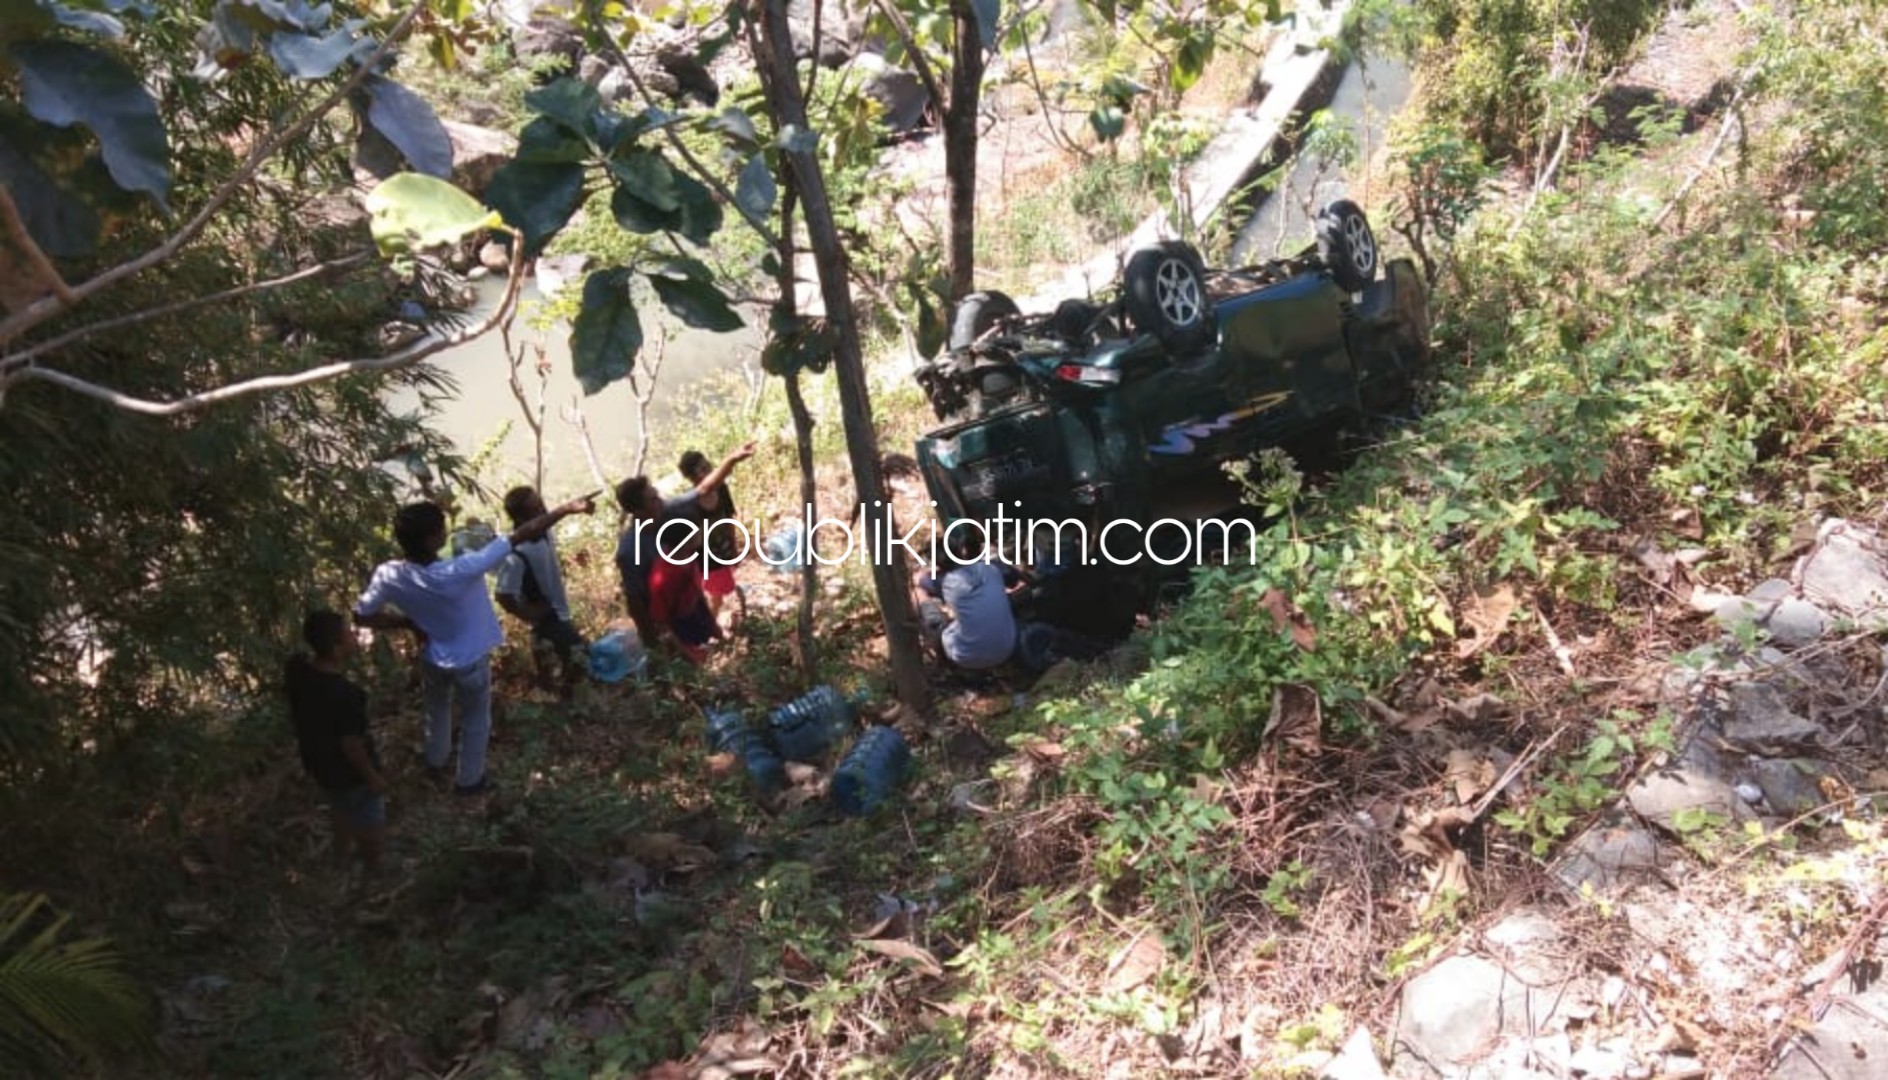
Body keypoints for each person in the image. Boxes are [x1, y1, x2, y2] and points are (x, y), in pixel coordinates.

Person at [354, 493, 595, 796]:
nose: (445, 533)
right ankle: (470, 780)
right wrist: (567, 508)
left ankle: (436, 759)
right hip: (470, 660)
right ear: (431, 540)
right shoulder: (461, 569)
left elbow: (361, 616)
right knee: (476, 719)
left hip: (432, 657)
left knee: (437, 709)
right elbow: (523, 533)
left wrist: (408, 623)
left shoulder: (389, 574)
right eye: (441, 530)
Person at [615, 441, 755, 654]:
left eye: (657, 494)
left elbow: (704, 488)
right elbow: (636, 602)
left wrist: (732, 459)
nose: (660, 500)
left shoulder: (664, 510)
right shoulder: (631, 550)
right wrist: (654, 642)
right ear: (638, 510)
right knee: (687, 658)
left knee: (706, 642)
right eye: (653, 499)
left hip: (689, 596)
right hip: (667, 615)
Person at [284, 609, 386, 877]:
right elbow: (352, 745)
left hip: (319, 765)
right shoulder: (347, 695)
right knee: (369, 820)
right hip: (351, 774)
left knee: (338, 806)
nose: (354, 637)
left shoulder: (298, 673)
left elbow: (300, 657)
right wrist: (373, 777)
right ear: (336, 649)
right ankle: (373, 867)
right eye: (349, 635)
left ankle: (339, 856)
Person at [495, 485, 588, 698]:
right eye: (536, 508)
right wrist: (530, 614)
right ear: (520, 516)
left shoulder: (545, 532)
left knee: (571, 663)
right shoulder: (516, 554)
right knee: (578, 660)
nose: (544, 511)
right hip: (548, 618)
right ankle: (565, 705)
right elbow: (503, 595)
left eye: (541, 504)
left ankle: (559, 697)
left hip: (558, 612)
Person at [910, 526, 1023, 671]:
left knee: (917, 593)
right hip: (1008, 646)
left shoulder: (943, 581)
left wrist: (930, 571)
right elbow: (1013, 579)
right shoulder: (991, 568)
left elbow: (917, 580)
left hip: (967, 657)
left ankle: (942, 658)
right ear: (962, 552)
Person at [678, 449, 744, 629]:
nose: (709, 470)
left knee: (716, 594)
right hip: (703, 557)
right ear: (692, 477)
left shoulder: (721, 488)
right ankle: (708, 629)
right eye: (702, 469)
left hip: (722, 550)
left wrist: (733, 547)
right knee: (712, 595)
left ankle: (708, 627)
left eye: (708, 465)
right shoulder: (689, 503)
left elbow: (729, 517)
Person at [645, 526, 722, 664]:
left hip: (695, 611)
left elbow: (697, 591)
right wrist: (687, 653)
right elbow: (662, 623)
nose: (700, 534)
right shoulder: (664, 578)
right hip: (679, 626)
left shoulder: (689, 556)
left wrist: (712, 624)